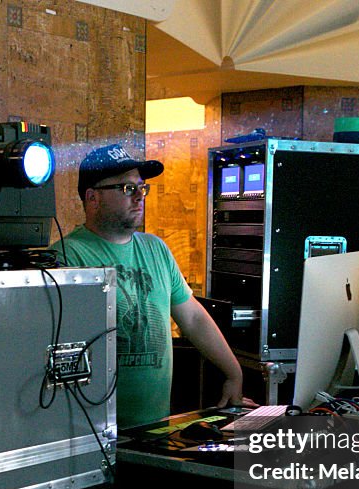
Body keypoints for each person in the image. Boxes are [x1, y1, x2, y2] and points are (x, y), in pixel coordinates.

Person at [53, 143, 254, 427]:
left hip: (154, 427)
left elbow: (194, 319)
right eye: (126, 189)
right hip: (94, 434)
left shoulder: (156, 249)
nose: (139, 196)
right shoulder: (66, 256)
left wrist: (234, 374)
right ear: (92, 197)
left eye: (141, 188)